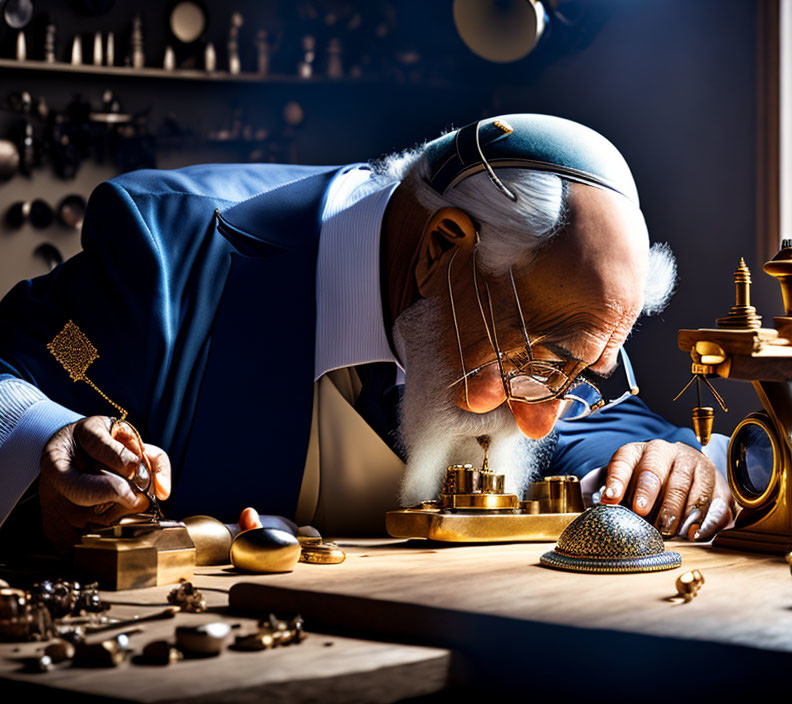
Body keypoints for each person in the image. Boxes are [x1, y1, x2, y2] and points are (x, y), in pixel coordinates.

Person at [0, 114, 733, 553]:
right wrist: (45, 450)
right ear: (443, 249)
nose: (546, 413)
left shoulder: (538, 306)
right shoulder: (163, 255)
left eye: (578, 371)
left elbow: (592, 421)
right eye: (543, 362)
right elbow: (18, 370)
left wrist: (661, 461)